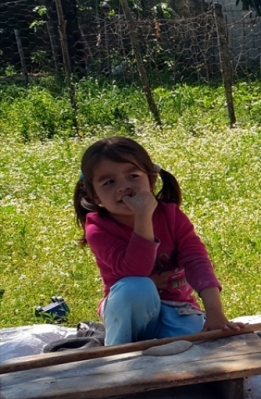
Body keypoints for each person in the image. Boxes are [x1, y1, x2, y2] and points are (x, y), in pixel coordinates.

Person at [73, 137, 244, 346]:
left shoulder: (171, 215)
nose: (124, 187)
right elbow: (136, 270)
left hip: (176, 308)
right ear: (94, 195)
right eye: (109, 182)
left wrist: (215, 313)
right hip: (128, 312)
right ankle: (119, 355)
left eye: (133, 176)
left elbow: (196, 261)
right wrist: (143, 216)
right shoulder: (98, 227)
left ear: (151, 180)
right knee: (137, 287)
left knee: (204, 346)